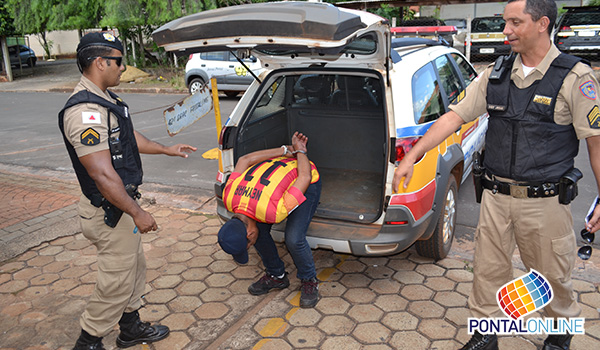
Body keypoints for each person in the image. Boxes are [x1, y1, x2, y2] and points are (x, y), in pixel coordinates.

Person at [392, 1, 600, 349]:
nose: (506, 31)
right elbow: (454, 117)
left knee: (552, 277)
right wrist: (413, 153)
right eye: (506, 22)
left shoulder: (575, 77)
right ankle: (485, 337)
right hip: (495, 198)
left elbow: (596, 143)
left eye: (515, 23)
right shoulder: (496, 73)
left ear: (542, 23)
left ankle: (560, 335)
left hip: (545, 203)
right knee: (487, 275)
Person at [58, 32, 197, 350]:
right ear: (100, 62)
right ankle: (88, 342)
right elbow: (102, 174)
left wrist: (166, 149)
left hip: (120, 206)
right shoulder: (85, 113)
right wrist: (137, 212)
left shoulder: (104, 101)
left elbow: (129, 137)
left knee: (133, 269)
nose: (123, 67)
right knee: (116, 281)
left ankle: (130, 329)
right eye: (119, 61)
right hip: (110, 210)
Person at [217, 132, 322, 308]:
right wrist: (285, 150)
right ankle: (277, 276)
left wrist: (299, 152)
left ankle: (309, 279)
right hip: (275, 187)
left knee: (294, 239)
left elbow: (305, 177)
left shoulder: (274, 211)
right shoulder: (228, 196)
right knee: (262, 233)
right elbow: (245, 159)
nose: (249, 247)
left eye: (247, 244)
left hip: (306, 177)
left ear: (248, 232)